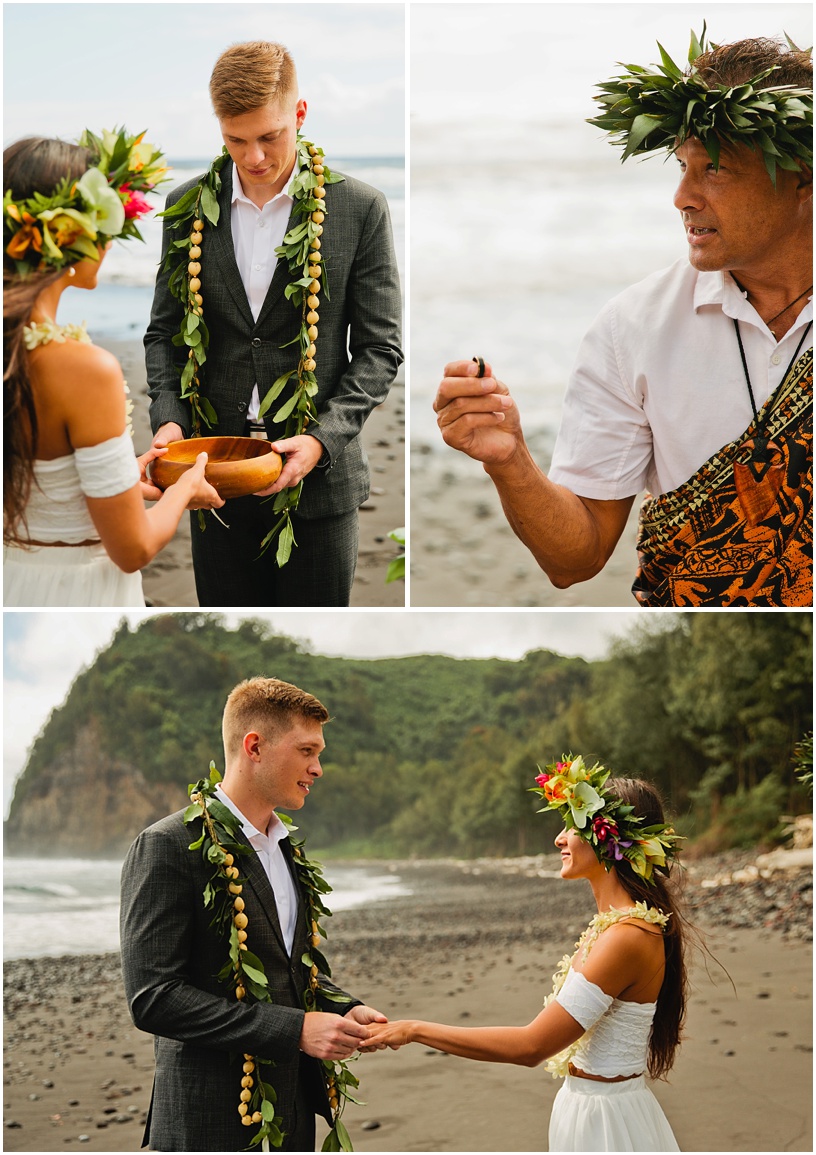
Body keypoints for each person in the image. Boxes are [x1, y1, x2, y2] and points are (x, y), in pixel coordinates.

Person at [435, 32, 812, 606]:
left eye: (715, 169)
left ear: (802, 174)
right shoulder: (633, 329)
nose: (682, 196)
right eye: (683, 167)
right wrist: (511, 459)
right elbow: (575, 558)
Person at [146, 40, 403, 607]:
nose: (255, 157)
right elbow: (164, 334)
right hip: (213, 472)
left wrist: (321, 439)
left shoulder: (361, 209)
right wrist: (168, 422)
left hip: (320, 483)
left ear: (300, 114)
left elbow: (381, 349)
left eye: (270, 136)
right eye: (236, 140)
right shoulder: (185, 208)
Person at [120, 676, 388, 1152]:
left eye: (318, 753)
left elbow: (286, 968)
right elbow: (153, 997)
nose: (318, 768)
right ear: (255, 747)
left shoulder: (288, 851)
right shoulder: (167, 846)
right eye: (306, 751)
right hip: (206, 1122)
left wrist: (344, 1008)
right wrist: (297, 1029)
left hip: (290, 1117)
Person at [367, 757, 686, 1152]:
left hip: (607, 1124)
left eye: (573, 825)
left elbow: (531, 1047)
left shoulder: (626, 936)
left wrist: (415, 1029)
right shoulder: (620, 926)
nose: (559, 838)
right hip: (592, 1107)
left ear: (608, 838)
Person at [3, 132, 223, 607]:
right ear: (68, 232)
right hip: (75, 592)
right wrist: (184, 487)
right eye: (106, 220)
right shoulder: (84, 370)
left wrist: (120, 478)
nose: (113, 237)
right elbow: (134, 549)